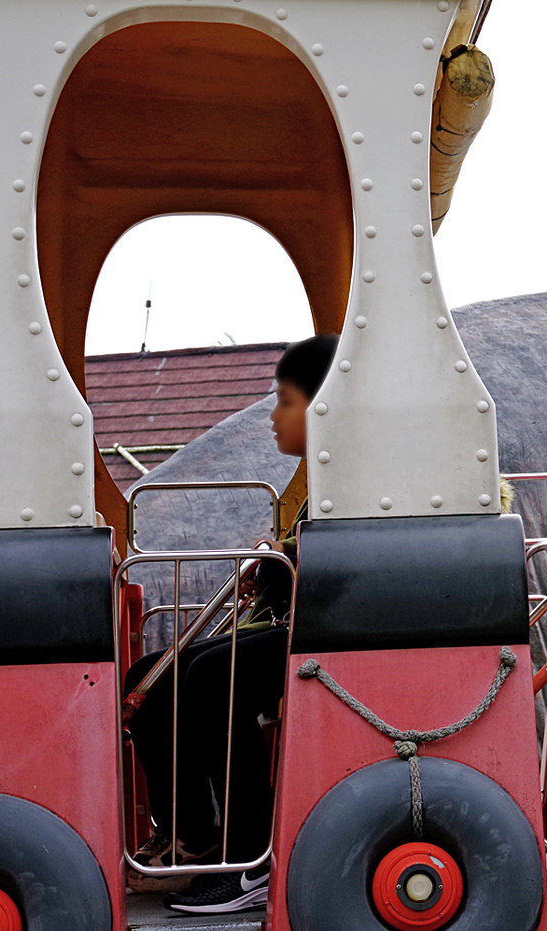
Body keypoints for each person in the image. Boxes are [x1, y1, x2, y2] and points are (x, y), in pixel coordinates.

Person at [123, 335, 337, 914]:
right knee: (150, 674)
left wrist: (275, 561)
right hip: (294, 625)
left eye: (285, 401)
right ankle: (194, 836)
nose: (273, 417)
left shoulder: (350, 476)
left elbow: (324, 570)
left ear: (323, 406)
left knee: (216, 673)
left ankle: (251, 859)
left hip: (328, 636)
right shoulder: (306, 485)